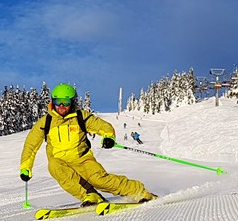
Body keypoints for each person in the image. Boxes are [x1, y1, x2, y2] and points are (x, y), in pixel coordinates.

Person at [19, 83, 157, 206]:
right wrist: (25, 168)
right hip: (61, 162)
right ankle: (90, 196)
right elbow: (30, 145)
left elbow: (103, 126)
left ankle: (139, 191)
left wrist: (108, 137)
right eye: (58, 101)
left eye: (65, 102)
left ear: (71, 102)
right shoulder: (46, 122)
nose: (61, 106)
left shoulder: (80, 117)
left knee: (99, 180)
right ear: (52, 102)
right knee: (54, 166)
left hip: (83, 159)